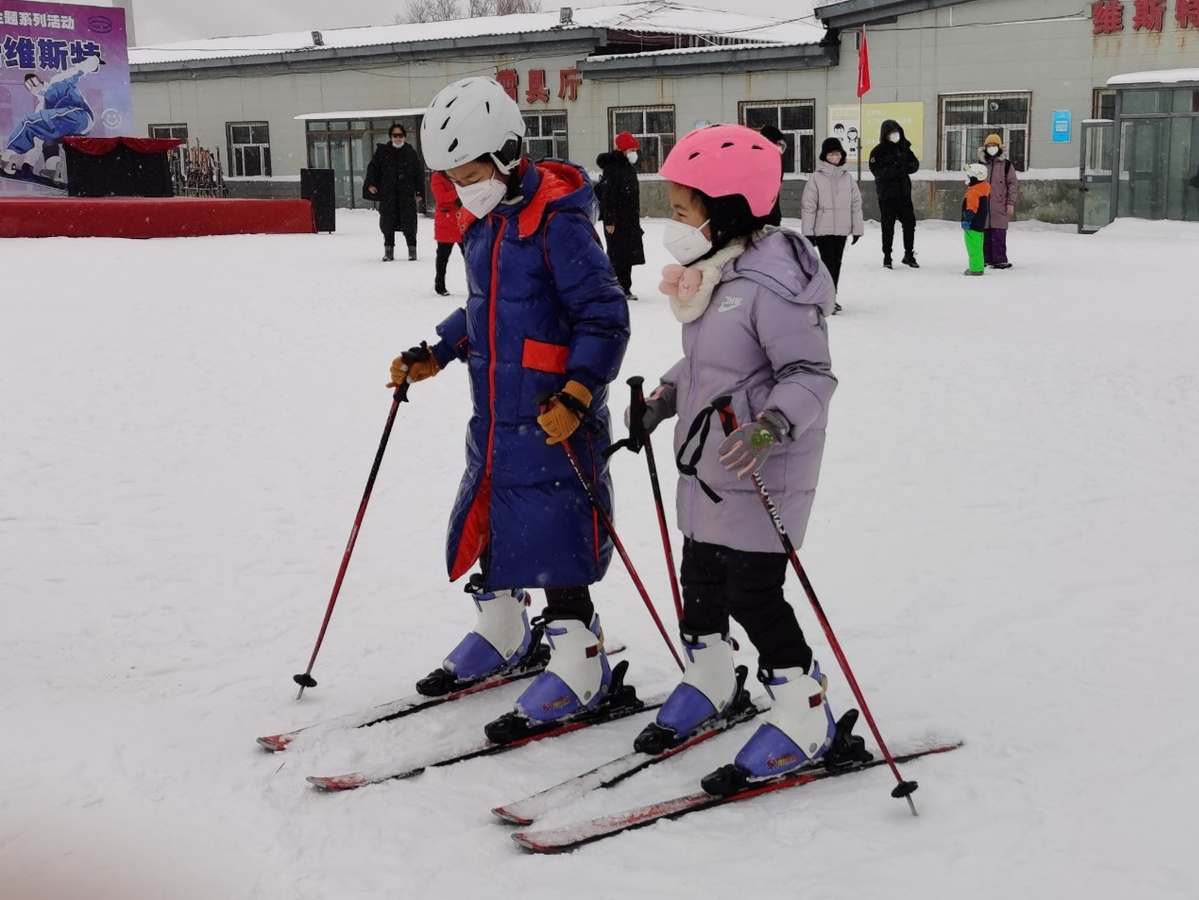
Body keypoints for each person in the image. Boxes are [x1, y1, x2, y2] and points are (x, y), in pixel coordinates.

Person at [393, 76, 630, 736]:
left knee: (553, 538)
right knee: (490, 523)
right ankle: (501, 629)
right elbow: (484, 309)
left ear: (506, 154)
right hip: (496, 417)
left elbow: (604, 317)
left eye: (468, 173)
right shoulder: (486, 224)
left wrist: (580, 393)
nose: (458, 188)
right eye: (449, 177)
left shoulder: (558, 224)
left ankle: (583, 662)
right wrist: (437, 351)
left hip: (555, 421)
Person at [629, 124, 859, 785]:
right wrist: (664, 397)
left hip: (762, 472)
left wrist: (769, 429)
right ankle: (708, 680)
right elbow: (710, 361)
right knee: (699, 580)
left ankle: (803, 713)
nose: (671, 224)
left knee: (753, 595)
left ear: (725, 206)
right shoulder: (719, 273)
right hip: (710, 471)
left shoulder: (771, 282)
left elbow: (811, 375)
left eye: (680, 210)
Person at [1, 55, 101, 183]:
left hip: (79, 117)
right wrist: (28, 163)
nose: (33, 88)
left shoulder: (57, 81)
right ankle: (54, 169)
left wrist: (94, 60)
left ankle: (9, 157)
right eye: (29, 86)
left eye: (33, 83)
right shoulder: (41, 108)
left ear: (39, 80)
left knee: (28, 121)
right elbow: (37, 140)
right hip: (72, 129)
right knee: (47, 139)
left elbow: (79, 70)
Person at [801, 137, 863, 314]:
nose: (835, 156)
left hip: (841, 230)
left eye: (838, 153)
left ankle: (831, 297)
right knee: (827, 264)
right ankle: (825, 299)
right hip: (823, 229)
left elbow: (856, 204)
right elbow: (809, 206)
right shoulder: (816, 178)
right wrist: (808, 232)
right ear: (825, 155)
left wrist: (857, 229)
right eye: (831, 153)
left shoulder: (848, 178)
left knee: (837, 263)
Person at [594, 132, 645, 301]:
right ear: (622, 150)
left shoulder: (628, 167)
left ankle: (625, 288)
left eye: (635, 149)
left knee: (628, 256)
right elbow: (609, 196)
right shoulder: (613, 168)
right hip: (616, 221)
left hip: (630, 219)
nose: (634, 153)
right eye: (631, 149)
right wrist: (609, 220)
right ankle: (614, 288)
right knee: (617, 256)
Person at [363, 123, 422, 261]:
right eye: (395, 135)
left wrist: (419, 192)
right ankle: (388, 251)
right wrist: (371, 184)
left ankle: (412, 250)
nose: (397, 138)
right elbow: (373, 168)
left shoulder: (410, 153)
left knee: (409, 222)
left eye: (400, 135)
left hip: (406, 195)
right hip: (388, 194)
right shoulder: (383, 152)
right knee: (387, 222)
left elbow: (417, 174)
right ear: (390, 137)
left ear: (404, 137)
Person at [867, 119, 920, 269]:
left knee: (909, 224)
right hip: (887, 195)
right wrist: (898, 169)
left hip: (904, 193)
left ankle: (909, 254)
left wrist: (903, 168)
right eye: (891, 133)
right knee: (888, 226)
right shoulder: (878, 151)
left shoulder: (904, 147)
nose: (895, 136)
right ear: (885, 135)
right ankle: (887, 257)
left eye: (897, 132)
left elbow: (914, 164)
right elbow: (877, 171)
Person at [978, 134, 1018, 268]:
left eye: (994, 146)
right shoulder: (980, 164)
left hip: (1000, 204)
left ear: (999, 147)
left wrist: (1010, 203)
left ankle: (1000, 259)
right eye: (989, 146)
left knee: (998, 232)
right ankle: (985, 258)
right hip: (983, 204)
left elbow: (1012, 184)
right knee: (984, 232)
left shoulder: (1006, 165)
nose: (991, 148)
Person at [430, 170, 464, 295]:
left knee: (470, 257)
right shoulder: (437, 177)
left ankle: (475, 284)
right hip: (446, 222)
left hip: (462, 221)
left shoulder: (461, 173)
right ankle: (439, 285)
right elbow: (441, 198)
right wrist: (460, 191)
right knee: (443, 257)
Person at [962, 163, 991, 276]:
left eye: (969, 176)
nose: (968, 178)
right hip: (979, 224)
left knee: (973, 247)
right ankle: (978, 266)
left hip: (972, 225)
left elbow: (971, 208)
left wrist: (967, 221)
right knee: (978, 247)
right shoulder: (982, 190)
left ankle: (975, 269)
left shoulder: (973, 192)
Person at [758, 124, 787, 227]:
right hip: (760, 214)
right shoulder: (759, 159)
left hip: (773, 212)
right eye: (777, 143)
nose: (779, 147)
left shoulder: (778, 159)